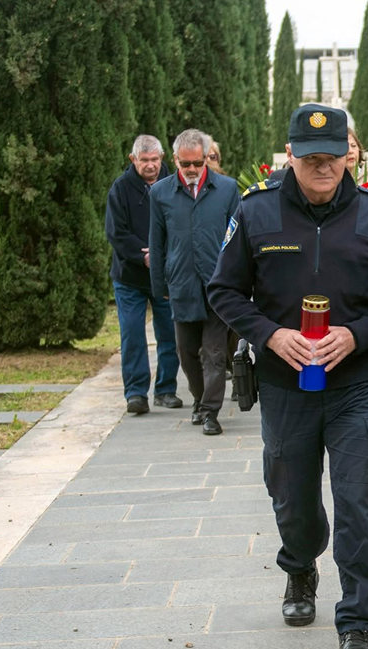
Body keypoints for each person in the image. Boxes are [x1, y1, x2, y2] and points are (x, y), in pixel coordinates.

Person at [207, 104, 368, 649]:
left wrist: (356, 334)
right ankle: (300, 565)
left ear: (349, 153)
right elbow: (223, 291)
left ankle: (356, 621)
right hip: (285, 386)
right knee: (292, 497)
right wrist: (271, 335)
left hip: (358, 387)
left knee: (357, 501)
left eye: (332, 157)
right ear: (290, 155)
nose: (323, 167)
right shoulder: (256, 212)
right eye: (310, 158)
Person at [149, 128, 240, 434]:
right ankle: (200, 400)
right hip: (181, 284)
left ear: (206, 159)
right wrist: (159, 286)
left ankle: (211, 412)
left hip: (218, 284)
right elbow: (156, 242)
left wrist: (239, 281)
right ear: (175, 159)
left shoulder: (227, 189)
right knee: (186, 351)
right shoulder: (160, 193)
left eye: (198, 163)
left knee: (214, 352)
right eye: (185, 163)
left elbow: (237, 239)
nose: (191, 169)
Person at [104, 135, 183, 415]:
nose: (150, 165)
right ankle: (136, 393)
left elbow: (182, 224)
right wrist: (144, 255)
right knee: (133, 334)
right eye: (144, 160)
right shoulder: (120, 188)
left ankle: (165, 389)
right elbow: (116, 232)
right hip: (130, 278)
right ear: (133, 159)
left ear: (162, 158)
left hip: (165, 274)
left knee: (170, 333)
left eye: (155, 160)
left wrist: (163, 255)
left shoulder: (174, 185)